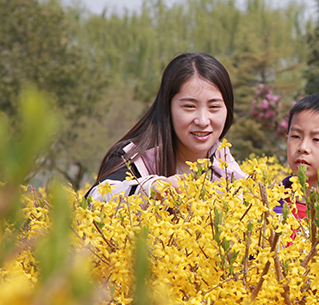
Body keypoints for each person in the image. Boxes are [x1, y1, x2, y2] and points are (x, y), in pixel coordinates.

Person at [88, 53, 246, 200]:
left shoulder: (225, 165)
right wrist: (152, 188)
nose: (203, 121)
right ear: (167, 107)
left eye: (214, 107)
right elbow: (94, 200)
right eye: (189, 107)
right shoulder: (133, 158)